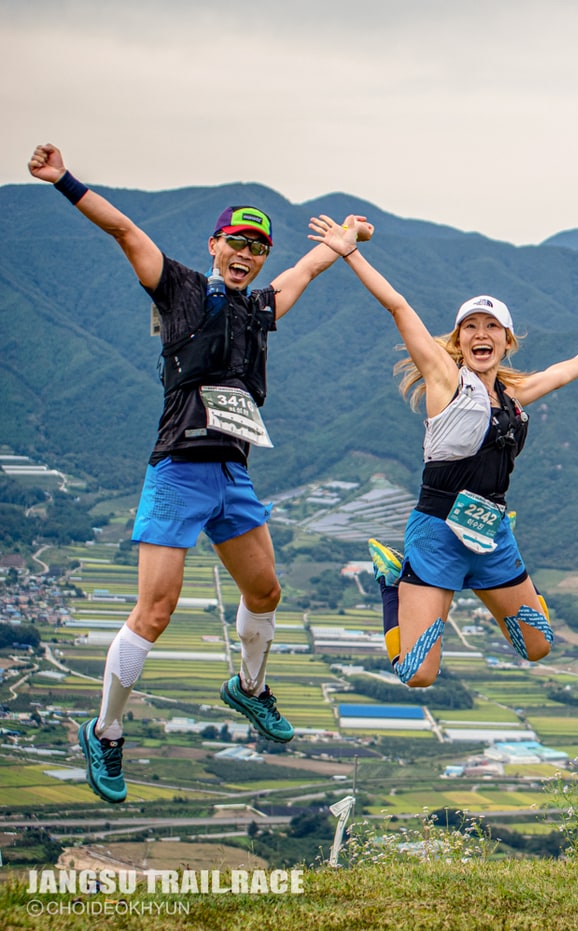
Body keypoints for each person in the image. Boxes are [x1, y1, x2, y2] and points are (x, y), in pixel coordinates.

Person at [28, 143, 371, 804]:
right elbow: (126, 230)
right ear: (215, 244)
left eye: (258, 248)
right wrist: (62, 179)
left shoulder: (260, 307)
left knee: (265, 590)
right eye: (236, 243)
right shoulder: (179, 288)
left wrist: (350, 236)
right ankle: (105, 729)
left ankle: (248, 687)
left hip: (232, 475)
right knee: (154, 611)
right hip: (179, 470)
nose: (247, 255)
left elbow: (306, 270)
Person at [307, 216, 578, 685]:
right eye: (470, 326)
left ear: (507, 341)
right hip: (437, 535)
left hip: (490, 536)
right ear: (459, 338)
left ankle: (498, 587)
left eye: (492, 326)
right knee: (417, 673)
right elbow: (398, 306)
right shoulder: (447, 381)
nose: (480, 333)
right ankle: (392, 583)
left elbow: (554, 375)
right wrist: (350, 252)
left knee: (538, 646)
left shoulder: (510, 396)